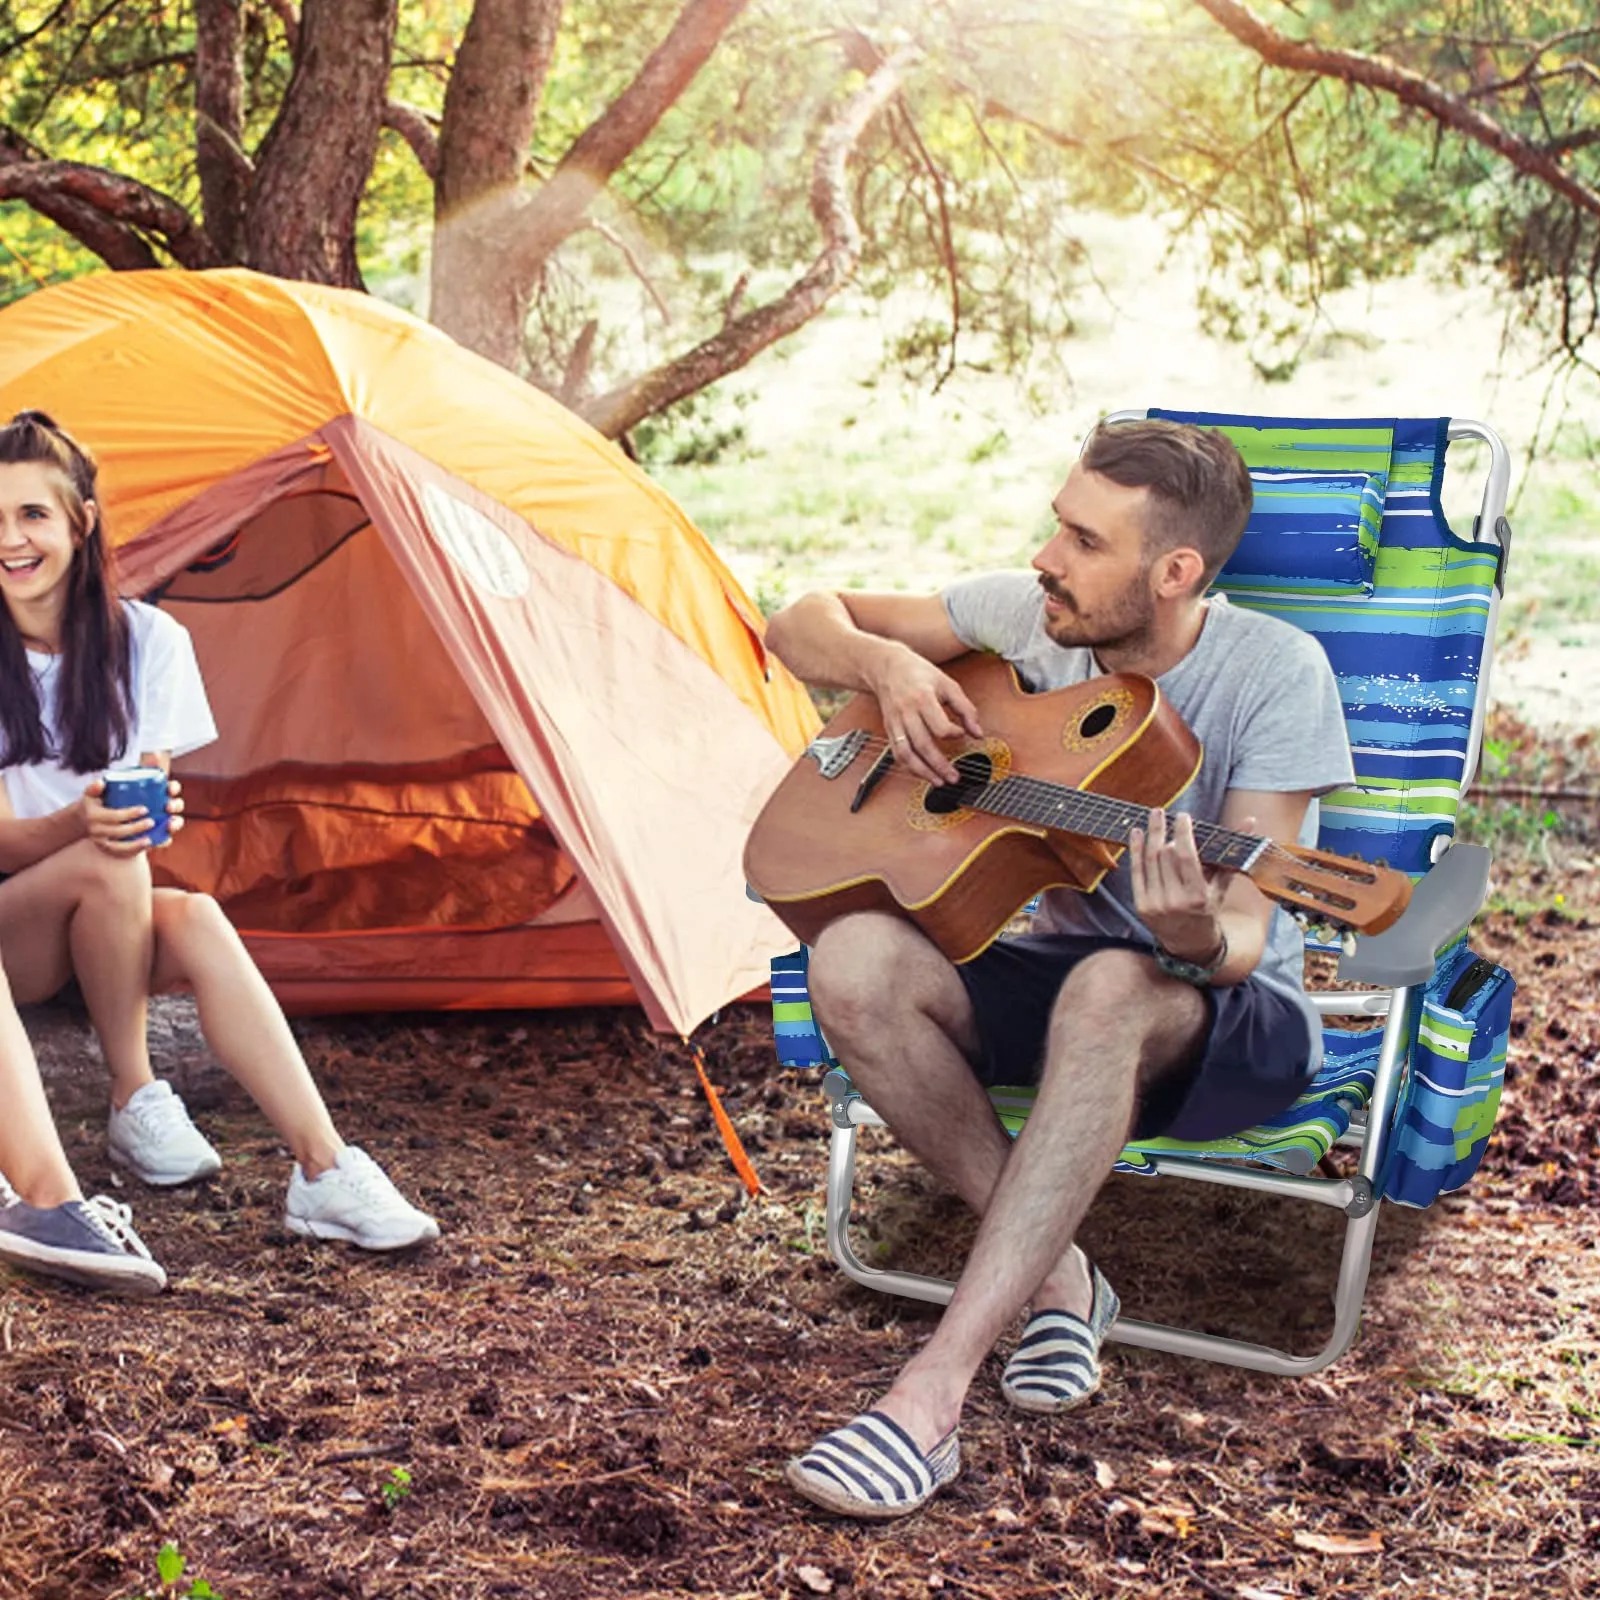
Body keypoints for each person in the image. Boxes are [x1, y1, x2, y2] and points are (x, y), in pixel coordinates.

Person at [763, 417, 1355, 1519]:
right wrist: (889, 668)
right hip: (1041, 976)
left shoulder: (1275, 671)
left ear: (1174, 571)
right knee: (847, 957)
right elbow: (798, 621)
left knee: (1114, 982)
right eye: (1056, 526)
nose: (1047, 557)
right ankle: (1062, 1280)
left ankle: (927, 1398)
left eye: (1084, 540)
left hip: (1223, 1016)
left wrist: (1185, 935)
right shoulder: (1022, 621)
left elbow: (1245, 933)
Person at [0, 410, 438, 1296]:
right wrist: (80, 829)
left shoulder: (149, 644)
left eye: (31, 515)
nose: (10, 541)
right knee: (106, 858)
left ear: (80, 522)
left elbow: (144, 800)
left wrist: (138, 816)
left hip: (99, 921)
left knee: (194, 913)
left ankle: (324, 1169)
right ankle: (133, 1092)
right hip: (15, 924)